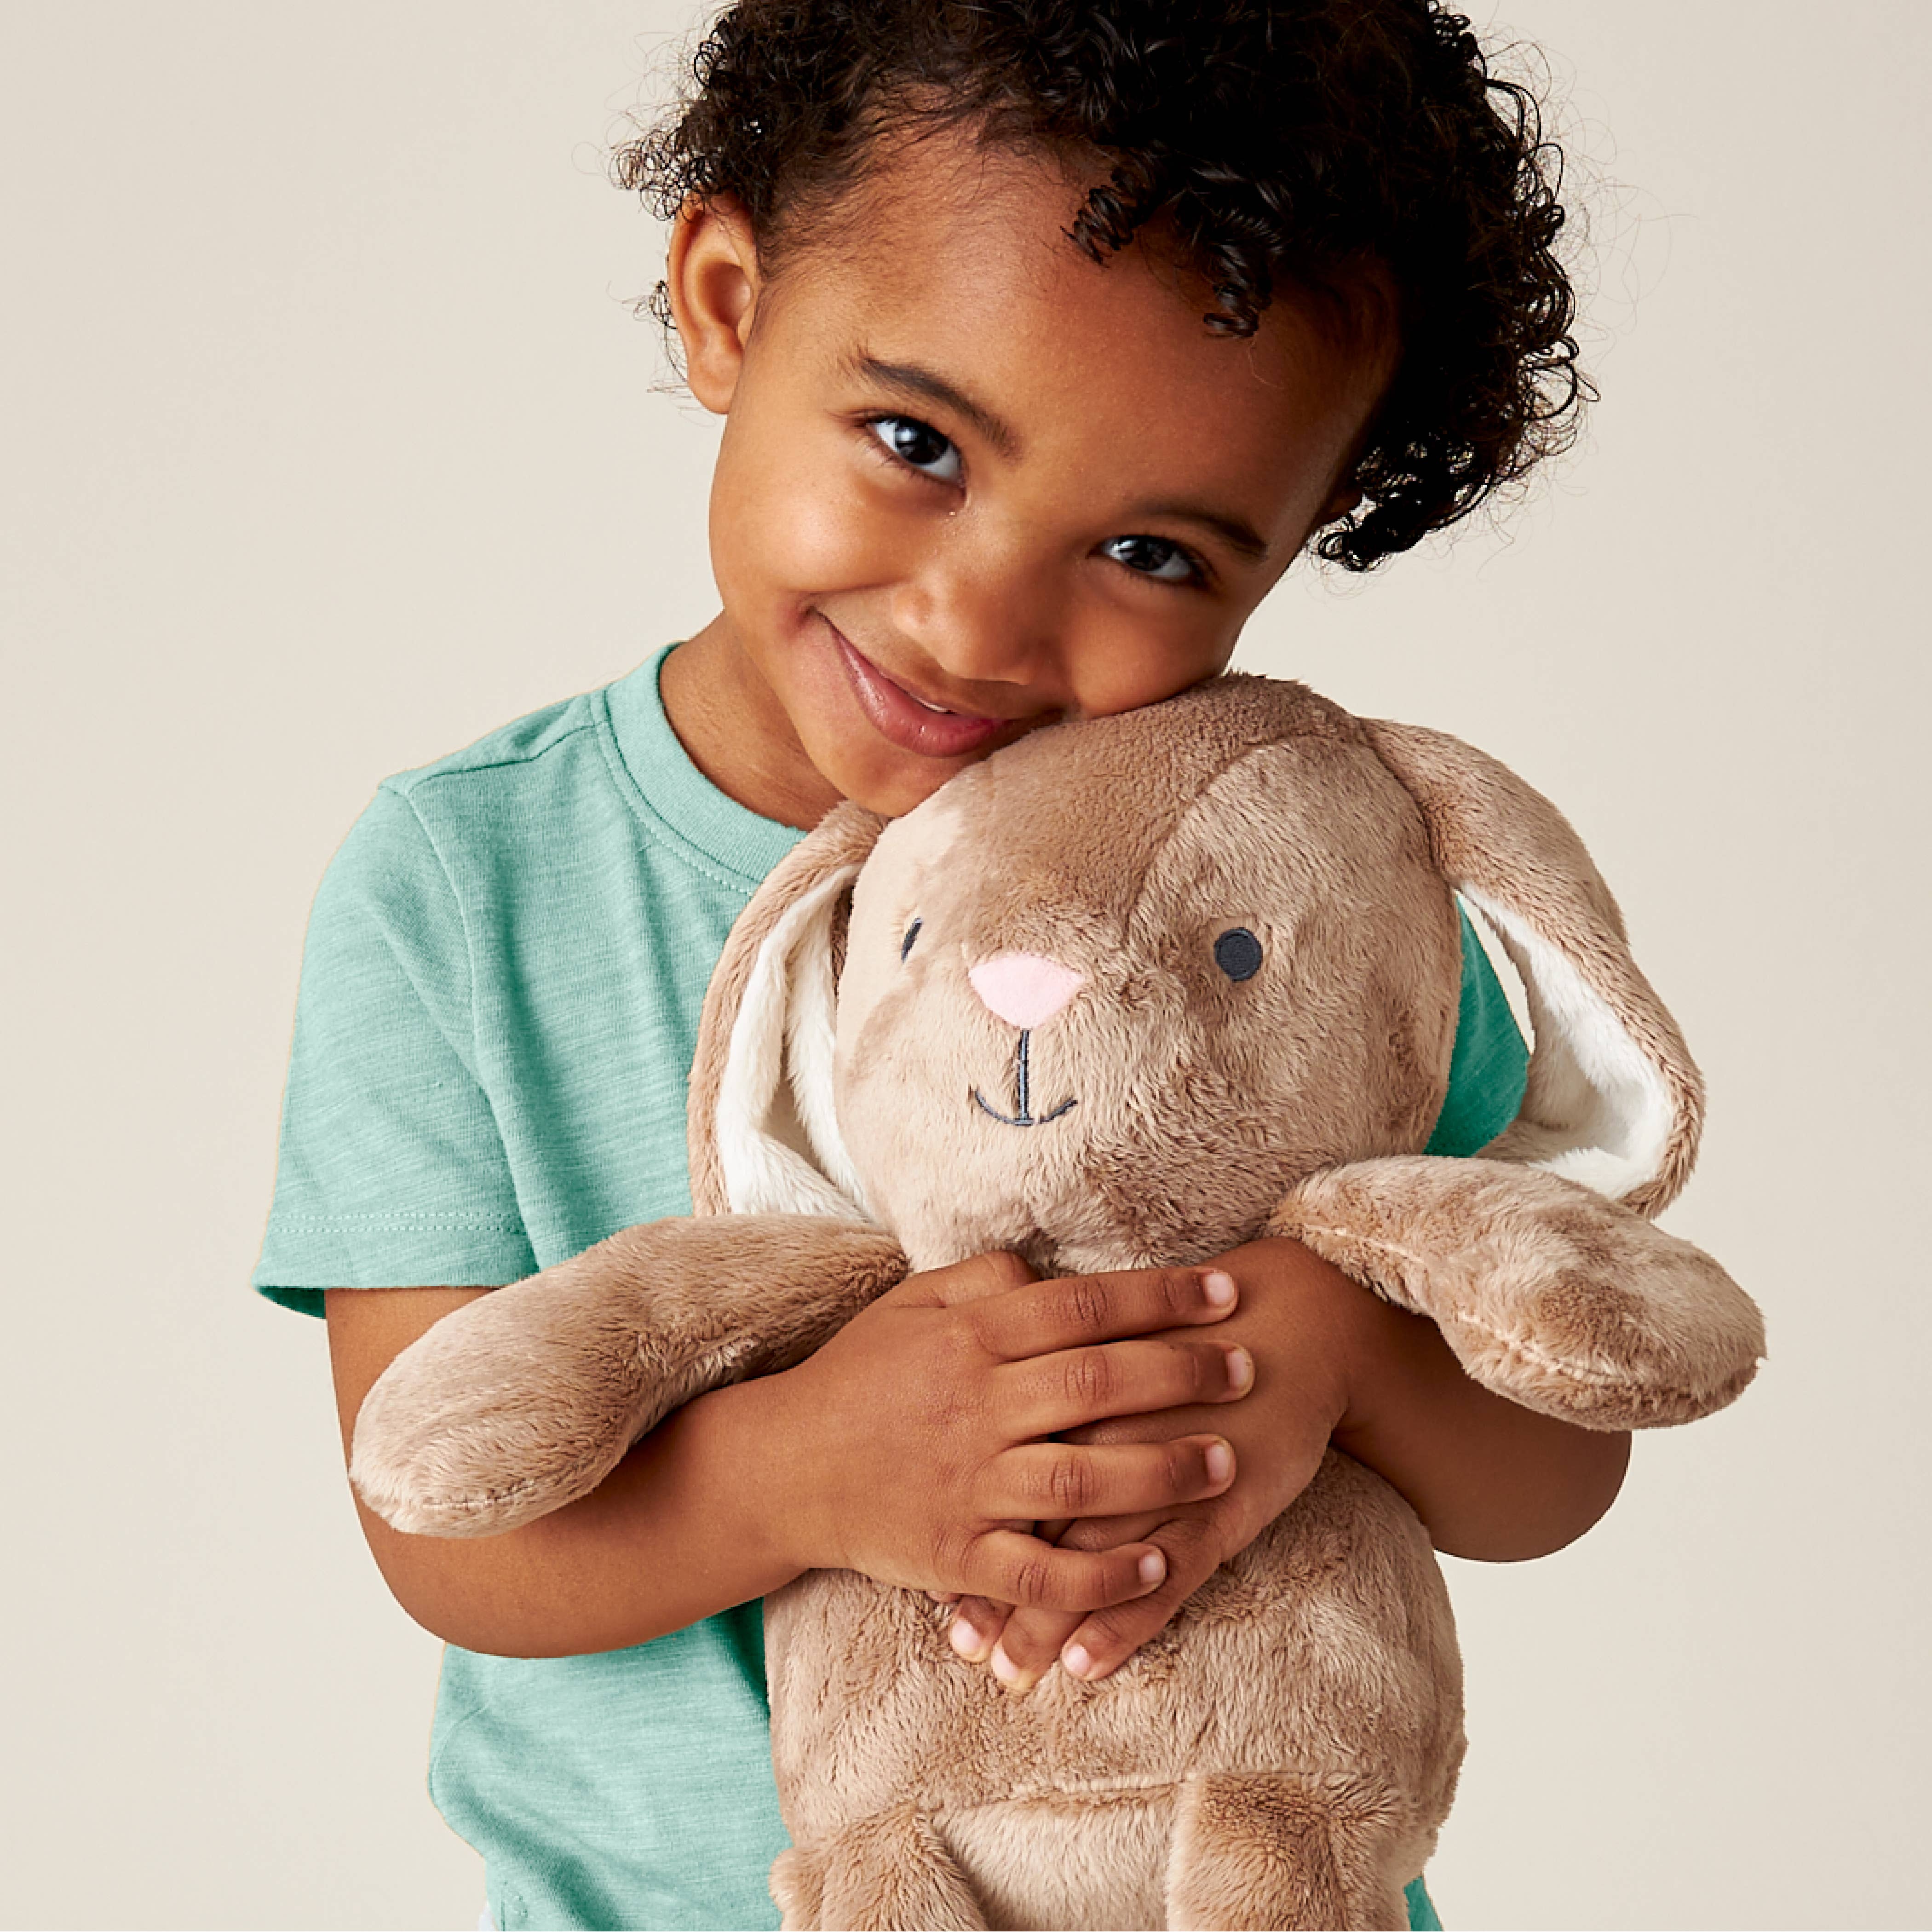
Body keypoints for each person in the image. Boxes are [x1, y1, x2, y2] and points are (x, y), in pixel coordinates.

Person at [253, 3, 1624, 1926]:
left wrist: (1330, 1360)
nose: (978, 620)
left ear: (1293, 543)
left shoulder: (1306, 904)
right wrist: (807, 1471)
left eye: (1154, 554)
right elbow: (447, 1528)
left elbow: (1555, 1466)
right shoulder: (466, 883)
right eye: (918, 444)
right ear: (728, 306)